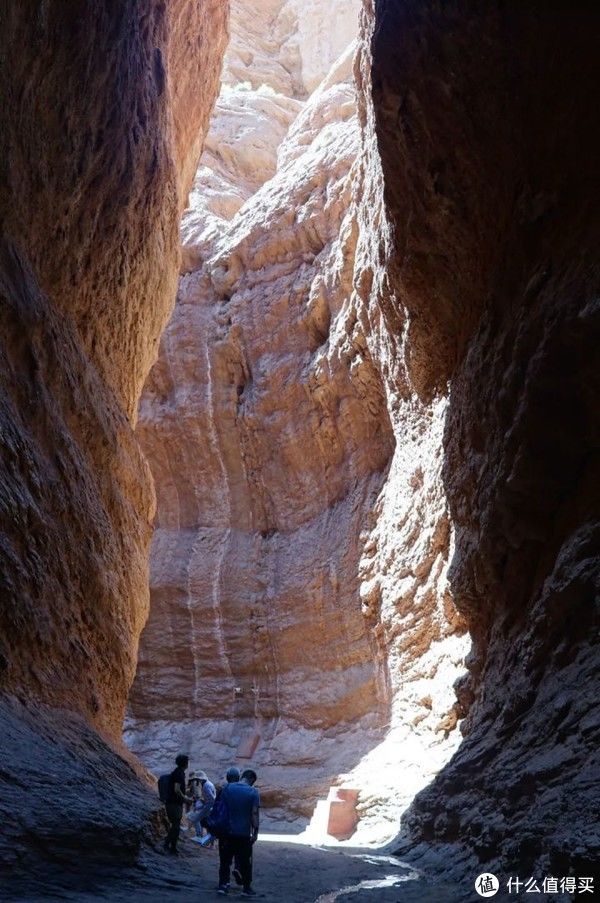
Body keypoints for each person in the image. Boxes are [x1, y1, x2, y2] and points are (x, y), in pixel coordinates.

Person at [217, 768, 260, 897]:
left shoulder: (227, 788)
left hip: (226, 831)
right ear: (251, 779)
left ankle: (223, 885)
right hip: (243, 833)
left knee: (225, 860)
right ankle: (246, 888)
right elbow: (254, 813)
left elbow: (220, 808)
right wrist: (255, 832)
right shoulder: (253, 792)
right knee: (246, 861)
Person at [164, 753, 192, 855]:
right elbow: (177, 789)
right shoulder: (179, 773)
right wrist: (186, 799)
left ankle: (169, 845)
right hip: (174, 803)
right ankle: (171, 846)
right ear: (185, 763)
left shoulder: (178, 772)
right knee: (176, 826)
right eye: (188, 761)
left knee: (175, 826)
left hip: (172, 802)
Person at [188, 770, 216, 840]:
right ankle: (208, 840)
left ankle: (199, 836)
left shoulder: (206, 786)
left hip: (208, 807)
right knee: (206, 823)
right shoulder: (209, 783)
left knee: (196, 819)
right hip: (209, 807)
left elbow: (211, 800)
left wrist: (204, 808)